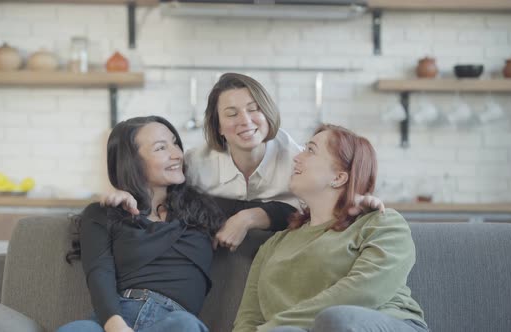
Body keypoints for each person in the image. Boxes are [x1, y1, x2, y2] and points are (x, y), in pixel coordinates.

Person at [103, 73, 384, 251]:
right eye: (231, 113)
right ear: (218, 126)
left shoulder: (296, 160)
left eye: (254, 109)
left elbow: (332, 199)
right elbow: (158, 193)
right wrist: (127, 192)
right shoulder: (196, 164)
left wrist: (249, 217)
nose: (246, 121)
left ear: (268, 114)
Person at [233, 124, 428, 332]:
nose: (297, 157)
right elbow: (248, 319)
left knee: (336, 319)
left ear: (339, 177)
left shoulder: (381, 223)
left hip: (384, 323)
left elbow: (363, 292)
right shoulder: (272, 246)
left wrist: (272, 328)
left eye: (310, 150)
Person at [58, 116, 227, 332]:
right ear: (132, 161)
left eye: (175, 143)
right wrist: (115, 325)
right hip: (114, 320)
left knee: (185, 325)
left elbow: (281, 212)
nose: (177, 154)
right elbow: (99, 272)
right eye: (161, 148)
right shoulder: (102, 213)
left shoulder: (203, 209)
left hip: (173, 321)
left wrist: (247, 219)